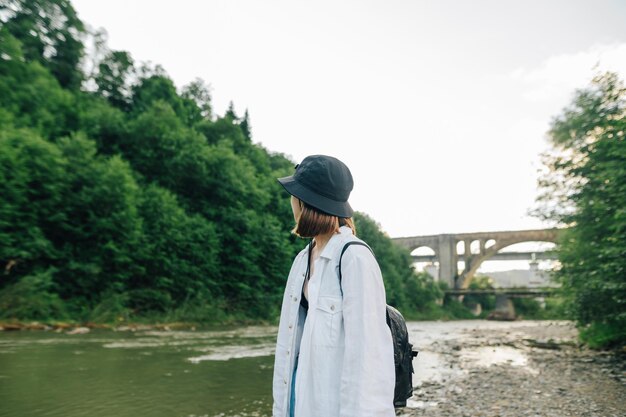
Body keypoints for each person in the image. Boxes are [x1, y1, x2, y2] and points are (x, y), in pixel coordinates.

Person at [272, 154, 395, 417]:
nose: (292, 202)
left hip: (333, 406)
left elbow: (369, 356)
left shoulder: (354, 257)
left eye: (295, 195)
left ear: (305, 202)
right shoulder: (302, 259)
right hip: (299, 398)